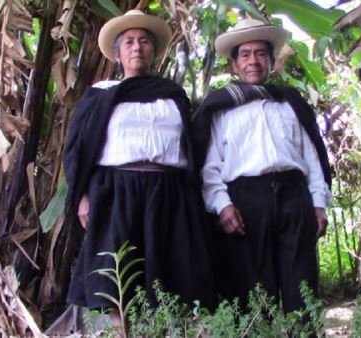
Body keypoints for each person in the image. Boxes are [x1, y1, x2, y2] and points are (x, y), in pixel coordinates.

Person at [63, 9, 215, 319]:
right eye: (129, 41)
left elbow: (189, 148)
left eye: (144, 41)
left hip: (168, 192)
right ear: (117, 53)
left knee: (168, 272)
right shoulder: (100, 95)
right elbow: (78, 149)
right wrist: (81, 197)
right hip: (115, 192)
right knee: (116, 274)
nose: (137, 47)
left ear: (153, 51)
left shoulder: (173, 96)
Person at [193, 19, 332, 314]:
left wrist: (318, 203)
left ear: (271, 62)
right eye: (245, 55)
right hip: (246, 202)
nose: (253, 61)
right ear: (233, 64)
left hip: (294, 197)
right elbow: (209, 168)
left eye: (260, 54)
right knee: (252, 291)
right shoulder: (220, 109)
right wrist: (222, 205)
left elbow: (312, 158)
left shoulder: (290, 103)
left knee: (303, 288)